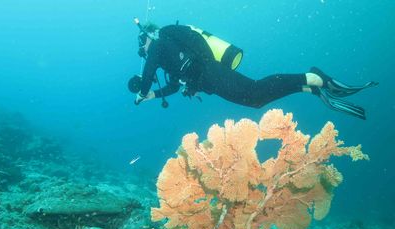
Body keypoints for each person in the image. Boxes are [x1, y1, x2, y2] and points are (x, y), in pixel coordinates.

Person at [128, 20, 378, 120]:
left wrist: (142, 91)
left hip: (210, 71)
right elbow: (173, 84)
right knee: (255, 101)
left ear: (148, 34)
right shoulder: (166, 57)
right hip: (209, 80)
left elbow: (148, 72)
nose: (143, 50)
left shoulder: (160, 43)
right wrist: (152, 96)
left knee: (256, 91)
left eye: (142, 43)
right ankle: (306, 86)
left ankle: (313, 76)